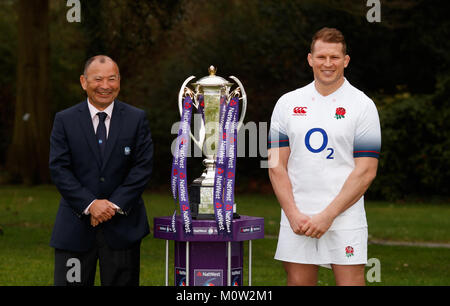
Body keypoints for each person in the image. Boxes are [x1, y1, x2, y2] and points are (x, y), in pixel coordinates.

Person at [268, 27, 381, 286]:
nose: (327, 64)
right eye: (321, 57)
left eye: (334, 57)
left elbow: (366, 171)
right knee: (298, 283)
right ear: (310, 59)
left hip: (344, 216)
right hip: (298, 215)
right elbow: (276, 166)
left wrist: (328, 215)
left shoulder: (362, 105)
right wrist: (293, 213)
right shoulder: (287, 103)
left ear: (346, 60)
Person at [49, 55, 153, 286]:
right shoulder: (64, 120)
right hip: (74, 228)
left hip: (123, 229)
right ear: (83, 82)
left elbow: (142, 167)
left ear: (119, 81)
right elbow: (59, 168)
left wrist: (112, 206)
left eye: (111, 79)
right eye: (98, 79)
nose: (105, 86)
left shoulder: (136, 119)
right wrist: (91, 204)